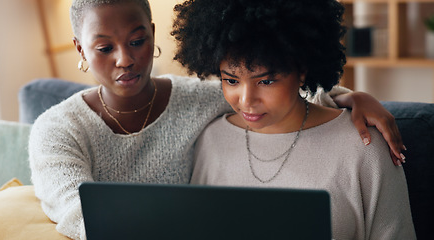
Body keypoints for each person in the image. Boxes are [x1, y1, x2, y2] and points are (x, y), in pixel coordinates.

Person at [29, 0, 407, 239]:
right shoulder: (57, 130)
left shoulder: (198, 103)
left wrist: (349, 96)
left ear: (152, 34)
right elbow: (79, 214)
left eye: (136, 40)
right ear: (80, 48)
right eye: (104, 47)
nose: (125, 59)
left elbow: (293, 88)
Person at [171, 0, 416, 239]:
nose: (246, 100)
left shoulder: (363, 146)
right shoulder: (211, 140)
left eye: (265, 81)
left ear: (302, 71)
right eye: (231, 80)